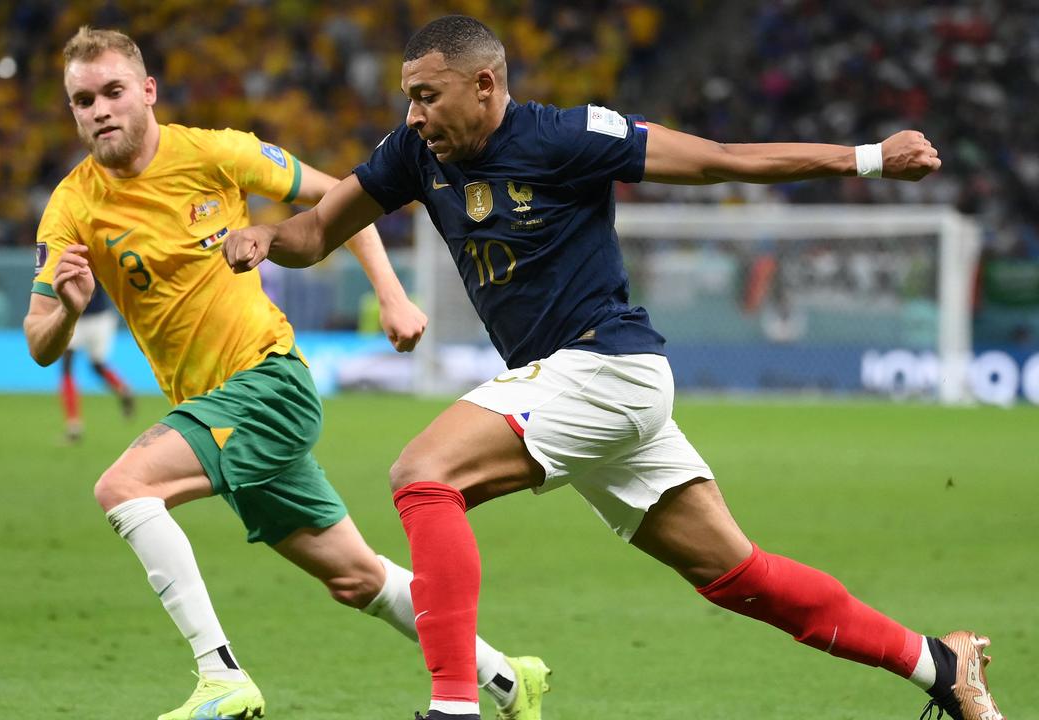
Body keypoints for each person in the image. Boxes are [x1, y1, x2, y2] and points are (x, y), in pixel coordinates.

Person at [222, 15, 1005, 720]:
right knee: (740, 576)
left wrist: (865, 158)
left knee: (425, 475)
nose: (414, 115)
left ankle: (453, 707)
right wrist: (264, 237)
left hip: (606, 364)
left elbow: (718, 161)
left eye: (428, 96)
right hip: (569, 387)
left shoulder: (566, 136)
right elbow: (318, 229)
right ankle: (939, 663)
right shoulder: (412, 155)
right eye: (408, 98)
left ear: (485, 84)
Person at [23, 27, 550, 720]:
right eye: (82, 99)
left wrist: (391, 297)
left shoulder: (216, 153)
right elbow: (38, 343)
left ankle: (220, 676)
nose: (99, 109)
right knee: (356, 578)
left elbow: (347, 206)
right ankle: (510, 681)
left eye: (113, 91)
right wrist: (66, 310)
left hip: (268, 384)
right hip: (215, 409)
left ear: (147, 92)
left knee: (124, 486)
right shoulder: (72, 205)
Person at [55, 283, 136, 443]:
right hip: (86, 318)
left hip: (94, 318)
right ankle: (74, 426)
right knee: (69, 365)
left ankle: (123, 390)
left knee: (95, 366)